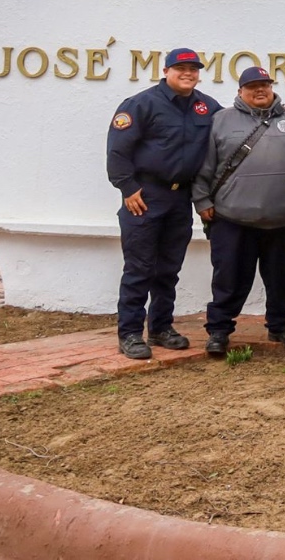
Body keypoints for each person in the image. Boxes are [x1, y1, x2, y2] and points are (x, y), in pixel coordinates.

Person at [106, 48, 222, 360]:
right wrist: (128, 188)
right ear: (166, 70)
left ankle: (160, 327)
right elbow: (118, 151)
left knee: (168, 269)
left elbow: (232, 130)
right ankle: (130, 333)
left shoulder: (206, 107)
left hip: (180, 198)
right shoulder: (141, 104)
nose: (188, 73)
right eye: (181, 68)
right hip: (144, 197)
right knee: (139, 268)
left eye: (194, 69)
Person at [192, 67, 285, 355]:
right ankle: (219, 331)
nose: (260, 90)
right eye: (253, 86)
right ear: (240, 91)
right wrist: (202, 201)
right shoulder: (221, 120)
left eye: (265, 85)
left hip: (282, 219)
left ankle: (281, 327)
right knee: (229, 280)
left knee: (281, 282)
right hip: (233, 219)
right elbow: (204, 164)